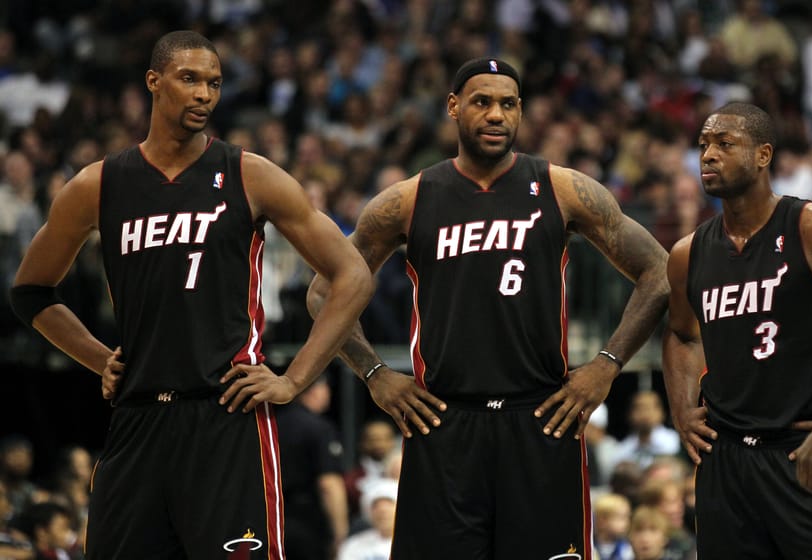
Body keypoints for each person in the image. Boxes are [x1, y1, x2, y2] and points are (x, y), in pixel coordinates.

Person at [8, 30, 373, 559]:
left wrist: (294, 380)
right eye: (190, 79)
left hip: (225, 416)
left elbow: (353, 276)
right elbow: (31, 291)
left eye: (215, 83)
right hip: (137, 418)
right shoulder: (99, 184)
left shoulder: (250, 174)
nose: (204, 93)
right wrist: (98, 358)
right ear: (154, 82)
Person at [308, 56, 669, 559]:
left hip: (541, 416)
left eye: (508, 104)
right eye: (482, 102)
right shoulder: (409, 199)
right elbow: (324, 291)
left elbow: (660, 271)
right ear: (453, 107)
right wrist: (375, 375)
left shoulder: (561, 187)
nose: (496, 114)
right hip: (444, 422)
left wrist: (606, 366)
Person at [662, 101, 812, 559]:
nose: (708, 154)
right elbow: (682, 334)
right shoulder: (688, 253)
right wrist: (681, 408)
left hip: (806, 449)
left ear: (764, 155)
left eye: (725, 144)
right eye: (704, 144)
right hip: (725, 464)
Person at [276, 374, 349, 560]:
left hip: (271, 518)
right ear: (315, 390)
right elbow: (329, 484)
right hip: (306, 521)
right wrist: (341, 532)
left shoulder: (271, 425)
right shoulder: (319, 428)